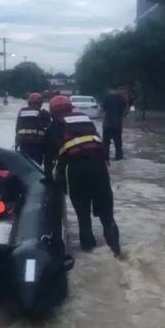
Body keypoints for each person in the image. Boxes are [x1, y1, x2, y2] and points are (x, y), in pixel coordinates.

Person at [45, 95, 122, 257]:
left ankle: (91, 257)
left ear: (52, 113)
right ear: (71, 109)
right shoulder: (85, 120)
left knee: (83, 217)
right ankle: (116, 253)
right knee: (108, 217)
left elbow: (50, 160)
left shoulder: (53, 127)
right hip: (99, 168)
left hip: (76, 171)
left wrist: (51, 181)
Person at [15, 92, 51, 165]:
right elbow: (50, 130)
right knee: (37, 166)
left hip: (23, 144)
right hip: (38, 145)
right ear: (41, 103)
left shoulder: (22, 112)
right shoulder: (44, 113)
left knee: (25, 165)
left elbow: (17, 128)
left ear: (29, 102)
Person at [101, 86, 127, 161]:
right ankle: (119, 159)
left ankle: (105, 159)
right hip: (117, 125)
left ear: (111, 90)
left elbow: (103, 109)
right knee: (118, 144)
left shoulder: (106, 98)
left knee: (106, 144)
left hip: (107, 124)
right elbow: (124, 112)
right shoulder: (122, 100)